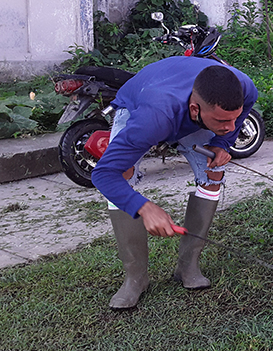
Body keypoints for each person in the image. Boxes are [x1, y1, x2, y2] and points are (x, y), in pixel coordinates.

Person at [91, 56, 258, 309]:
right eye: (223, 121)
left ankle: (187, 266)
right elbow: (103, 174)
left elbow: (245, 107)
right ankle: (135, 278)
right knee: (122, 171)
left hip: (186, 103)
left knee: (215, 170)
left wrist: (223, 142)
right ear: (195, 110)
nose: (231, 126)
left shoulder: (243, 86)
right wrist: (144, 208)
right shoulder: (153, 117)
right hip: (141, 99)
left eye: (233, 119)